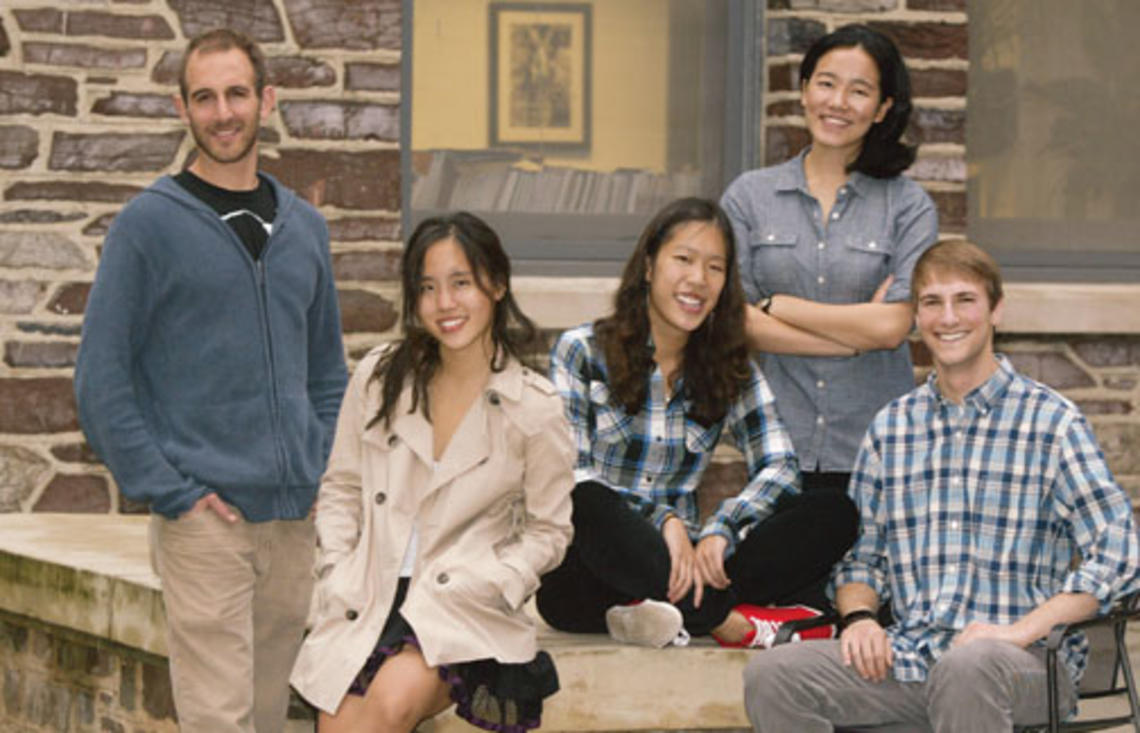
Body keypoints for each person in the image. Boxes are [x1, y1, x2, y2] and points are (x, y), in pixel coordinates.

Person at [742, 240, 1140, 731]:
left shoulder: (1052, 423)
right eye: (932, 302)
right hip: (911, 658)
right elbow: (862, 558)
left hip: (1030, 666)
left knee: (967, 668)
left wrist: (1016, 633)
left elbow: (1120, 550)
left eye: (965, 300)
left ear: (996, 310)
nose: (948, 317)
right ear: (916, 316)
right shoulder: (892, 429)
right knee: (775, 675)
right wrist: (861, 619)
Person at [73, 28, 347, 732]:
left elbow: (325, 373)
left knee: (265, 717)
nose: (222, 112)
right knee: (220, 722)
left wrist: (321, 473)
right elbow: (101, 382)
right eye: (205, 97)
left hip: (292, 527)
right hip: (206, 525)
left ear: (266, 99)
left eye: (236, 93)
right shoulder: (147, 227)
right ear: (182, 108)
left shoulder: (305, 228)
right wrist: (176, 493)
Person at [289, 212, 575, 733]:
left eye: (461, 283)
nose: (445, 304)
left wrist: (498, 580)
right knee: (336, 719)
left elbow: (550, 530)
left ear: (497, 283)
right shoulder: (381, 377)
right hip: (369, 594)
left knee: (392, 703)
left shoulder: (534, 407)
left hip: (461, 603)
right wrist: (337, 569)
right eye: (428, 287)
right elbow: (341, 487)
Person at [535, 197, 858, 650]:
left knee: (834, 509)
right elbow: (570, 472)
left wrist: (722, 529)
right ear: (649, 266)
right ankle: (725, 622)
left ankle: (658, 615)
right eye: (683, 259)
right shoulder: (582, 350)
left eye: (715, 267)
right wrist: (660, 519)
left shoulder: (728, 365)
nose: (698, 280)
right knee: (584, 498)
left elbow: (781, 466)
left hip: (686, 569)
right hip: (592, 570)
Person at [721, 24, 939, 495]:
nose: (838, 102)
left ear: (882, 108)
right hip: (776, 445)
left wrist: (778, 305)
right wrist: (848, 338)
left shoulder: (909, 206)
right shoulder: (749, 197)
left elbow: (891, 328)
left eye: (859, 91)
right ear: (803, 91)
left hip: (875, 448)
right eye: (826, 83)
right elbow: (735, 322)